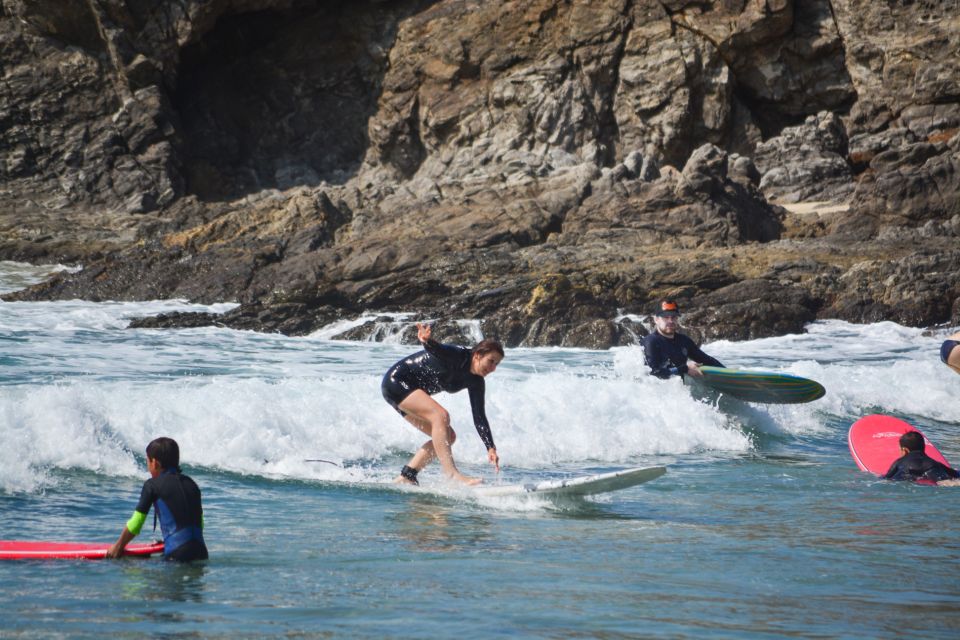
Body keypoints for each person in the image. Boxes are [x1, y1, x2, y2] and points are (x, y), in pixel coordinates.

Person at [382, 322, 503, 486]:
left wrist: (490, 447)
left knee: (449, 436)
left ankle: (408, 475)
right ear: (478, 355)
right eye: (491, 361)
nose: (493, 368)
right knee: (441, 415)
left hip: (409, 393)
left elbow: (479, 416)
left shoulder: (476, 382)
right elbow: (437, 349)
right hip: (397, 382)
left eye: (497, 364)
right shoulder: (459, 355)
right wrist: (427, 340)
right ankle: (451, 474)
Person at [107, 437, 208, 562]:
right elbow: (199, 523)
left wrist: (118, 547)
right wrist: (171, 540)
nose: (148, 467)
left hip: (177, 554)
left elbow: (136, 523)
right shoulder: (192, 484)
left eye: (147, 462)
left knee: (128, 565)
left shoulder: (152, 485)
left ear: (155, 463)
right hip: (201, 552)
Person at [642, 300, 724, 379]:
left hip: (679, 390)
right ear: (656, 319)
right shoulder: (651, 342)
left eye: (673, 317)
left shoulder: (684, 341)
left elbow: (706, 360)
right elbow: (653, 373)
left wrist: (726, 371)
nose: (670, 321)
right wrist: (685, 369)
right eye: (666, 317)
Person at [882, 430, 960, 483]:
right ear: (923, 447)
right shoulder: (935, 463)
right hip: (932, 470)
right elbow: (955, 474)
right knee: (946, 482)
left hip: (909, 474)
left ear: (905, 450)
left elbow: (887, 478)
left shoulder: (900, 461)